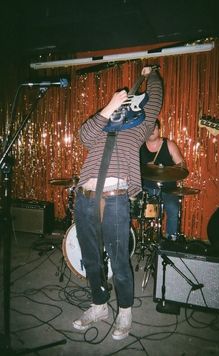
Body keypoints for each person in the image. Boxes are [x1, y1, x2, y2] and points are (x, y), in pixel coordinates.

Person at [72, 66, 163, 340]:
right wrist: (109, 106)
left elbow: (155, 97)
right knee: (90, 258)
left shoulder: (139, 127)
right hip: (85, 198)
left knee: (119, 259)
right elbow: (83, 136)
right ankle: (99, 305)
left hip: (114, 200)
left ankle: (125, 311)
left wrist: (153, 74)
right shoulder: (100, 126)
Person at [140, 119, 187, 240]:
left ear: (159, 129)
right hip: (146, 187)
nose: (151, 131)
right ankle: (146, 238)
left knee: (173, 209)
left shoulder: (169, 145)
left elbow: (181, 166)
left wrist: (165, 169)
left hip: (168, 188)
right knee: (143, 211)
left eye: (154, 127)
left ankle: (171, 239)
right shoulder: (139, 146)